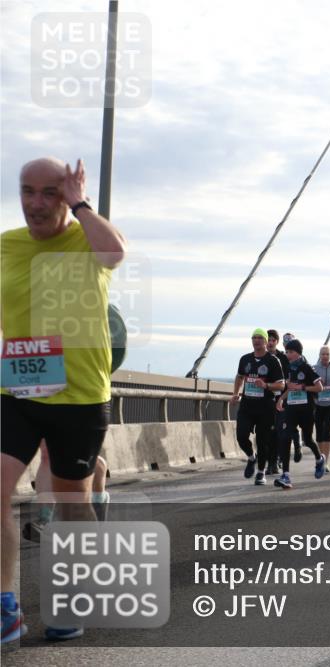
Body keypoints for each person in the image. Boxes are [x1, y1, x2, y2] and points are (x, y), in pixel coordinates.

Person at [2, 157, 127, 643]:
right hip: (15, 389)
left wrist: (80, 205)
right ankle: (5, 607)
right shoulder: (6, 246)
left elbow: (115, 252)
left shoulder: (87, 241)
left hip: (79, 395)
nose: (36, 203)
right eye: (27, 191)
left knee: (72, 501)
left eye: (49, 192)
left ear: (67, 196)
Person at [232, 329, 286, 486]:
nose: (256, 340)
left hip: (265, 407)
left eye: (260, 338)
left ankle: (261, 472)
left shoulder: (273, 361)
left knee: (262, 442)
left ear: (265, 341)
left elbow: (281, 385)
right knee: (241, 436)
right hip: (247, 405)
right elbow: (240, 376)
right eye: (254, 338)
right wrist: (235, 393)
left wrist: (266, 385)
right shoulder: (245, 359)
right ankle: (251, 457)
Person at [274, 339, 324, 488]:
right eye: (286, 352)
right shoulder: (288, 368)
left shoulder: (306, 367)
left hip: (306, 409)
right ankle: (286, 476)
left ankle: (319, 458)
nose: (287, 354)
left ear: (298, 353)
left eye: (290, 352)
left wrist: (302, 388)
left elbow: (319, 387)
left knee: (307, 440)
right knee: (285, 437)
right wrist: (281, 399)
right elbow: (290, 388)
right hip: (291, 408)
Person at [265, 329, 291, 474]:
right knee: (268, 432)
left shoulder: (283, 358)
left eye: (273, 340)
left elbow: (288, 379)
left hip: (281, 400)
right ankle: (271, 462)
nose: (270, 343)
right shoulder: (261, 357)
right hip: (265, 399)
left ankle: (275, 461)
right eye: (268, 340)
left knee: (279, 432)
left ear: (277, 342)